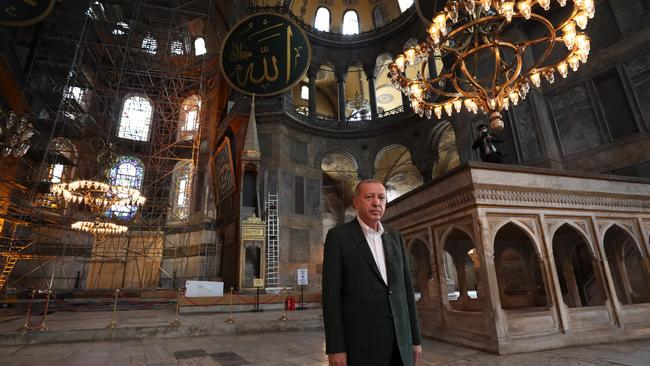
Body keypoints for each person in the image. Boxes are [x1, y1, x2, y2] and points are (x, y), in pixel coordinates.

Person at [322, 179, 422, 366]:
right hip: (361, 346)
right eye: (370, 197)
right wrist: (335, 347)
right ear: (356, 202)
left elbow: (407, 291)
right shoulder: (338, 237)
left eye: (381, 198)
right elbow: (331, 298)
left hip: (400, 344)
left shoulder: (396, 237)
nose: (377, 203)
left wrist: (415, 339)